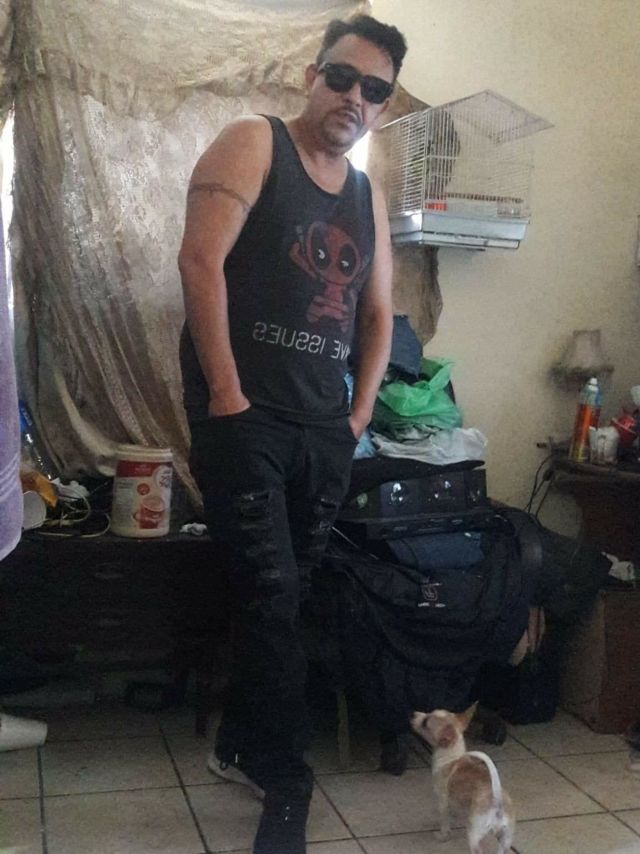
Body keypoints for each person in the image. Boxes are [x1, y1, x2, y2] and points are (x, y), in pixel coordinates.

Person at [178, 14, 407, 853]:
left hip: (323, 428)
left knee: (285, 598)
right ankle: (288, 780)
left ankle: (239, 745)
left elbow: (378, 313)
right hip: (247, 420)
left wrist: (357, 416)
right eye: (342, 77)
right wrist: (227, 396)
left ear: (383, 104)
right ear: (313, 77)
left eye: (374, 89)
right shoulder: (254, 142)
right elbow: (199, 261)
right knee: (273, 595)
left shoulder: (365, 193)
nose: (354, 98)